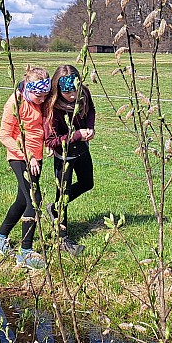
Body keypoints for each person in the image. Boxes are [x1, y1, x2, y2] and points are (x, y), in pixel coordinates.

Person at [0, 66, 56, 269]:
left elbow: (39, 127)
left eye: (46, 96)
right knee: (34, 200)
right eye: (39, 96)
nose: (43, 100)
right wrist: (28, 157)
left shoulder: (40, 100)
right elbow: (4, 136)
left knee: (22, 199)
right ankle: (26, 252)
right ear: (28, 87)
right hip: (20, 157)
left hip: (36, 157)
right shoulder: (15, 102)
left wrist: (47, 145)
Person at [44, 65, 95, 256]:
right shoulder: (53, 108)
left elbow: (91, 109)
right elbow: (51, 141)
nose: (72, 95)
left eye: (75, 90)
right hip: (63, 156)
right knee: (63, 193)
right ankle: (62, 237)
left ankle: (54, 208)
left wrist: (90, 127)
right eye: (67, 92)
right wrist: (76, 135)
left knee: (87, 183)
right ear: (58, 90)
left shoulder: (84, 93)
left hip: (82, 151)